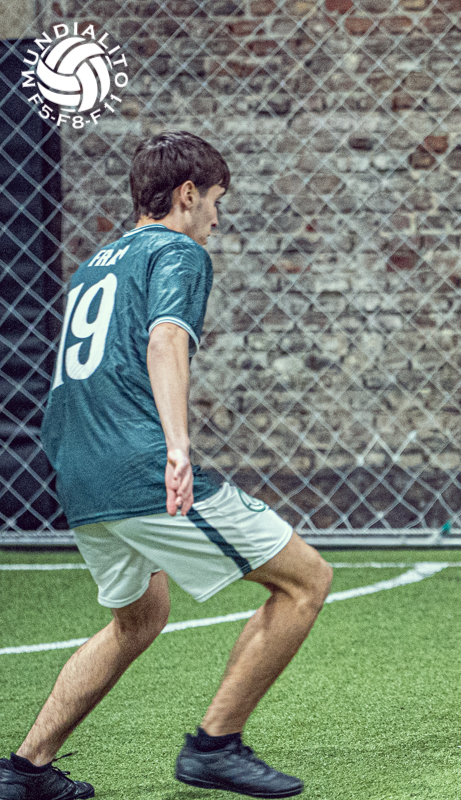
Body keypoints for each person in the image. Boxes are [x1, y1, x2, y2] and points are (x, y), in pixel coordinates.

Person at [0, 131, 332, 800]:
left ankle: (25, 770)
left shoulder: (93, 265)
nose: (217, 218)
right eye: (216, 201)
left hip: (77, 467)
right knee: (306, 580)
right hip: (137, 464)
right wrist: (178, 447)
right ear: (187, 195)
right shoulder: (178, 251)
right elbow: (165, 339)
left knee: (139, 617)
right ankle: (215, 746)